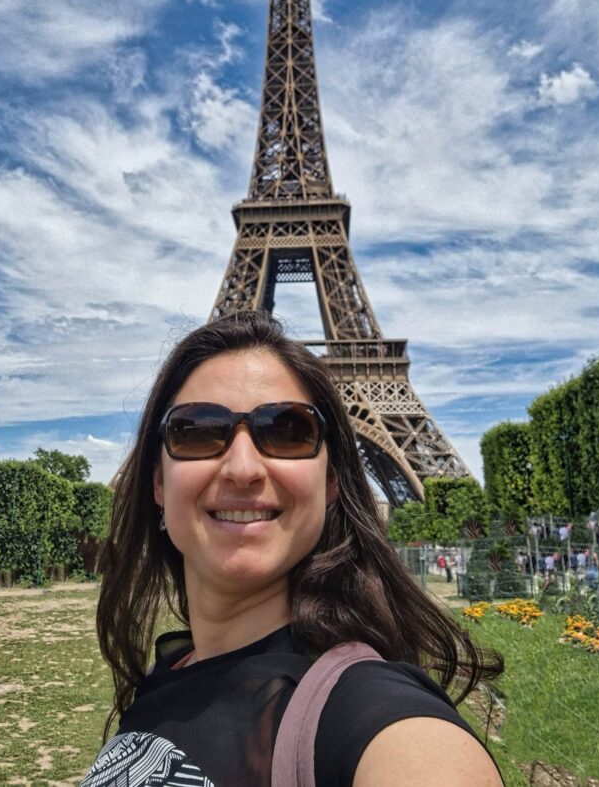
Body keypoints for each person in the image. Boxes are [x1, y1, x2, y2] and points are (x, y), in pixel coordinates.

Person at [83, 312, 504, 787]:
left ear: (330, 482)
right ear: (158, 482)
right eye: (197, 429)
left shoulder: (365, 708)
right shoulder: (166, 676)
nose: (242, 468)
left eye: (288, 430)